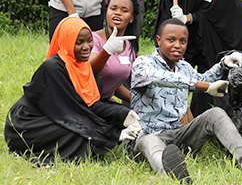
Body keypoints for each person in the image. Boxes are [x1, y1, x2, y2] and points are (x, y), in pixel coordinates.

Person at [131, 18, 242, 183]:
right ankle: (176, 177)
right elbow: (165, 78)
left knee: (216, 114)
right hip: (147, 135)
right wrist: (205, 86)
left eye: (183, 41)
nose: (177, 45)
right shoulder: (143, 63)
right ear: (158, 40)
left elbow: (202, 79)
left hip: (178, 134)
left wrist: (222, 64)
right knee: (151, 142)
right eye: (171, 40)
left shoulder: (183, 67)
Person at [5, 17, 142, 165]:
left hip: (59, 113)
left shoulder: (82, 65)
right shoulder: (53, 68)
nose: (86, 47)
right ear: (67, 41)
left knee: (104, 123)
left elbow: (91, 104)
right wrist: (113, 135)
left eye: (89, 40)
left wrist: (123, 114)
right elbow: (72, 112)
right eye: (79, 42)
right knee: (78, 132)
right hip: (28, 123)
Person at [88, 0, 140, 103]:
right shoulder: (93, 38)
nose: (117, 13)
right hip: (85, 99)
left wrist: (139, 100)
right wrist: (107, 51)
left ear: (131, 18)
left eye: (124, 11)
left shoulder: (129, 46)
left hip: (104, 100)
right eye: (113, 9)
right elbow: (90, 70)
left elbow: (113, 85)